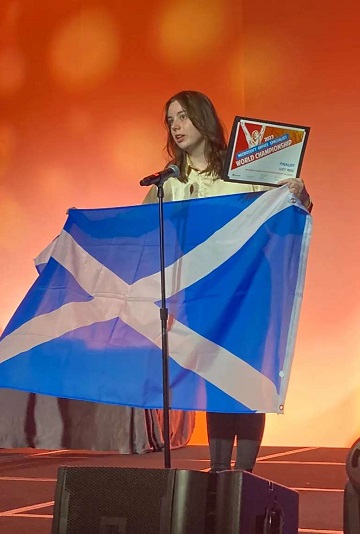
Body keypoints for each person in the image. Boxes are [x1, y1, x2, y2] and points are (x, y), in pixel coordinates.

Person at [144, 90, 312, 472]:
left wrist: (298, 192)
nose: (176, 126)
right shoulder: (168, 183)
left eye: (183, 117)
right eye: (170, 120)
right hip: (202, 295)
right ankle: (219, 473)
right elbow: (142, 232)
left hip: (251, 291)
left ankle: (245, 480)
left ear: (203, 118)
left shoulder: (245, 168)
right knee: (215, 383)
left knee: (246, 380)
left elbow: (286, 212)